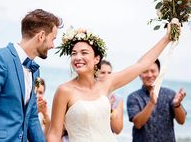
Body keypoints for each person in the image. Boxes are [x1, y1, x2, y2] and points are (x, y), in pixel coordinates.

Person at [47, 19, 181, 142]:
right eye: (74, 53)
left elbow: (141, 65)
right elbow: (54, 134)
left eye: (84, 52)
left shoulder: (106, 82)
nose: (77, 57)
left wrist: (167, 38)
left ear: (96, 59)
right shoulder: (64, 91)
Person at [0, 9, 62, 142]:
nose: (53, 46)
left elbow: (32, 116)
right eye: (53, 39)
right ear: (41, 36)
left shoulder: (36, 71)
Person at [126, 59, 186, 142]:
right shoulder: (133, 97)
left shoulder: (170, 94)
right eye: (145, 71)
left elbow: (182, 121)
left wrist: (177, 105)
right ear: (139, 74)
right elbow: (138, 124)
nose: (150, 75)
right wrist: (151, 103)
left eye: (153, 71)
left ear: (159, 73)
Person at [97, 60, 123, 134]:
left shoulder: (117, 98)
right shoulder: (89, 94)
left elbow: (117, 130)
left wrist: (111, 112)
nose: (107, 76)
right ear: (95, 74)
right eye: (102, 72)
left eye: (109, 73)